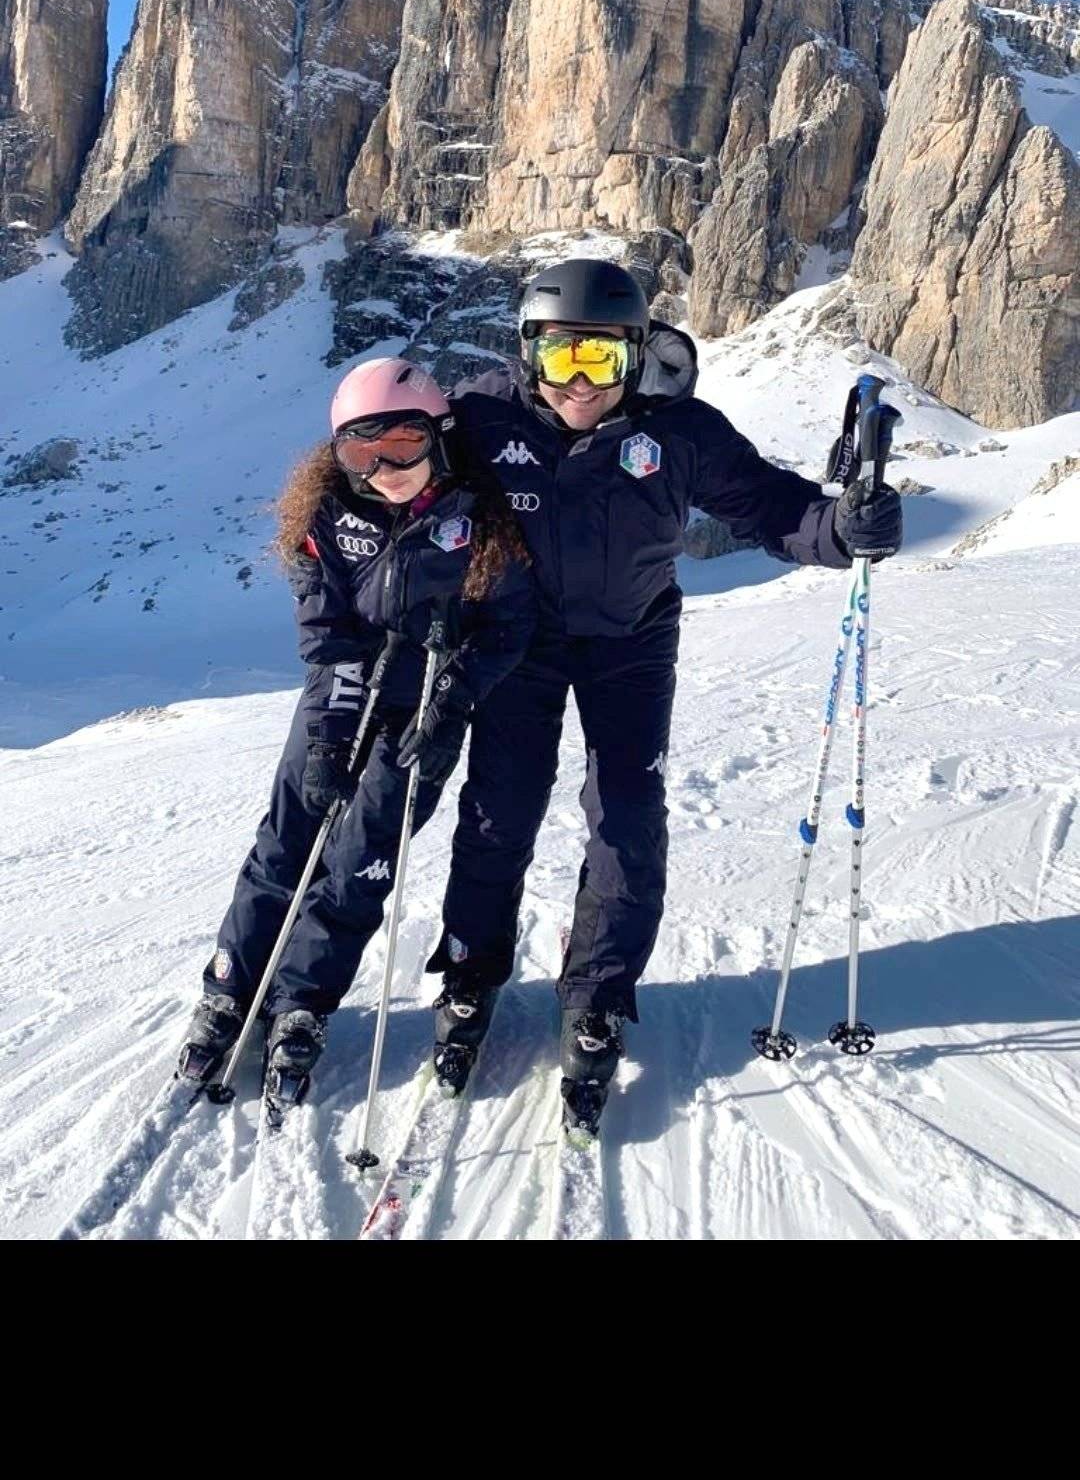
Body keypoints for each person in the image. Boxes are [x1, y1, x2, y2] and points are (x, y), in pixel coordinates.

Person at [427, 259, 903, 1133]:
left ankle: (599, 993)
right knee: (499, 809)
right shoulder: (483, 418)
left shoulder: (679, 434)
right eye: (562, 359)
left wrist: (843, 530)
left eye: (602, 362)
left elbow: (772, 507)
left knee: (627, 814)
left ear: (638, 357)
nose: (580, 384)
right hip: (519, 643)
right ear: (528, 353)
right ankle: (469, 973)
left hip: (630, 642)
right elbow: (399, 482)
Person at [177, 357, 535, 1110]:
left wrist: (451, 707)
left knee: (362, 859)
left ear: (438, 436)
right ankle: (232, 986)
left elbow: (508, 626)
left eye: (403, 444)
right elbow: (327, 633)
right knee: (289, 838)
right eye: (362, 453)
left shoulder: (480, 516)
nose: (387, 469)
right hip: (343, 694)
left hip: (423, 707)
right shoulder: (327, 518)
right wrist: (332, 735)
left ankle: (304, 996)